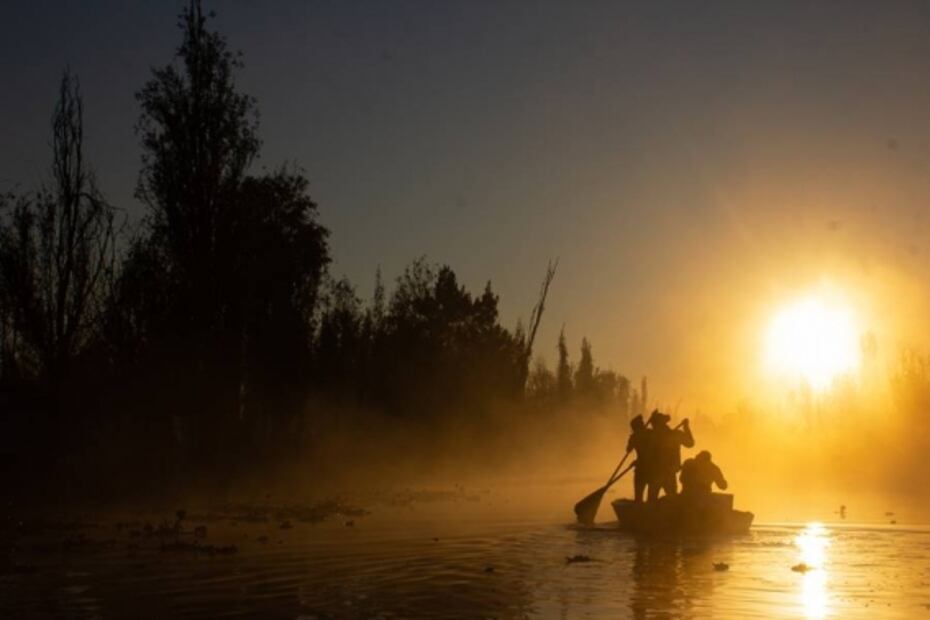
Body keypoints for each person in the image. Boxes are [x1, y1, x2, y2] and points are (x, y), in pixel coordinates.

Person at [647, 410, 694, 501]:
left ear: (658, 424)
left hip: (664, 473)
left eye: (654, 424)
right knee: (671, 499)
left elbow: (690, 443)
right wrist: (686, 427)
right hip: (661, 473)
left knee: (657, 500)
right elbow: (690, 443)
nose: (652, 426)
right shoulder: (673, 435)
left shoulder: (653, 436)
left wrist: (686, 427)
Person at [626, 415, 655, 503]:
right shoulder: (636, 436)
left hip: (650, 469)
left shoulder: (649, 434)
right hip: (643, 469)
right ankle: (641, 510)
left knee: (650, 497)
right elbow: (628, 450)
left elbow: (628, 450)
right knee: (640, 497)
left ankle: (647, 511)